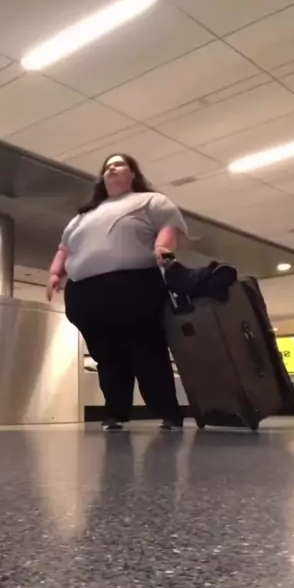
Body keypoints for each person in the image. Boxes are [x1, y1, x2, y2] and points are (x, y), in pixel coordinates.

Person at [47, 154, 187, 431]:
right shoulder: (82, 216)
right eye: (107, 166)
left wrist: (162, 247)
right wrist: (54, 273)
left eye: (119, 163)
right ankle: (115, 413)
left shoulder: (150, 200)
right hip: (86, 292)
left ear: (133, 173)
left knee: (146, 350)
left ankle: (168, 413)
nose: (111, 167)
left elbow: (169, 226)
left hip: (135, 285)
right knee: (106, 356)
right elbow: (64, 248)